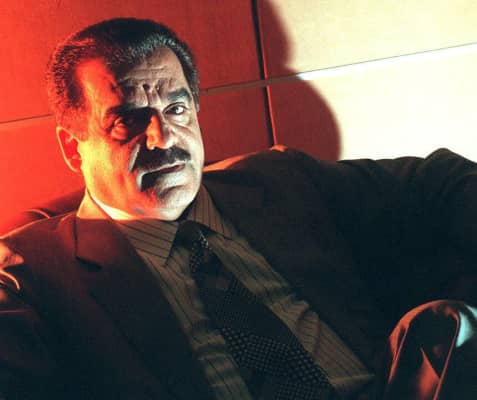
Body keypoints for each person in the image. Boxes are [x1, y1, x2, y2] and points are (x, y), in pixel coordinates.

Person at [1, 17, 477, 399]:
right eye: (128, 120)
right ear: (73, 147)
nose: (163, 138)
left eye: (177, 109)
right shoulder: (30, 274)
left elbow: (440, 179)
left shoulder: (279, 181)